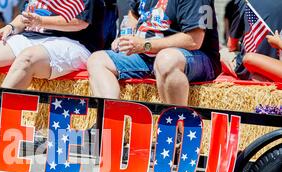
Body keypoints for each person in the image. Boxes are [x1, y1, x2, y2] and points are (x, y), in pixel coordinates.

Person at [87, 0, 221, 106]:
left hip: (196, 58)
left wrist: (145, 45)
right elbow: (133, 13)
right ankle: (109, 121)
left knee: (166, 60)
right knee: (97, 60)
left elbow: (194, 40)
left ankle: (176, 129)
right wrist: (126, 37)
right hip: (149, 56)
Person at [0, 0, 105, 90]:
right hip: (33, 36)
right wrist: (11, 27)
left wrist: (42, 21)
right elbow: (25, 16)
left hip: (74, 42)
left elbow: (80, 22)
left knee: (27, 58)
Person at [228, 0, 282, 80]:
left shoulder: (245, 2)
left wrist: (278, 43)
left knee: (245, 58)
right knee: (250, 61)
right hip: (276, 65)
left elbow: (231, 46)